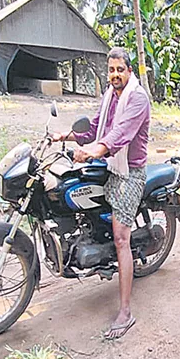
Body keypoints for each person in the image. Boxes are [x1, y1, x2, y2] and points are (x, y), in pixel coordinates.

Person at [52, 47, 151, 339]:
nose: (115, 75)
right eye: (111, 70)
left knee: (121, 237)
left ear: (129, 71)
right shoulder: (110, 96)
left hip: (130, 171)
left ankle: (125, 312)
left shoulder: (137, 99)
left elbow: (119, 134)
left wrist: (94, 151)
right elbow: (96, 126)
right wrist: (65, 136)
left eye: (120, 69)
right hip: (108, 162)